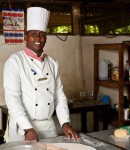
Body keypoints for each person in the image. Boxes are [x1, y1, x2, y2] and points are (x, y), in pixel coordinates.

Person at [3, 7, 80, 142]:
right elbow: (12, 98)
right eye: (33, 33)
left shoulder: (53, 63)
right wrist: (28, 128)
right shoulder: (15, 61)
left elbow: (59, 96)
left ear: (46, 38)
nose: (38, 38)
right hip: (22, 128)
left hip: (48, 126)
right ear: (26, 36)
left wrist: (65, 123)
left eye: (42, 34)